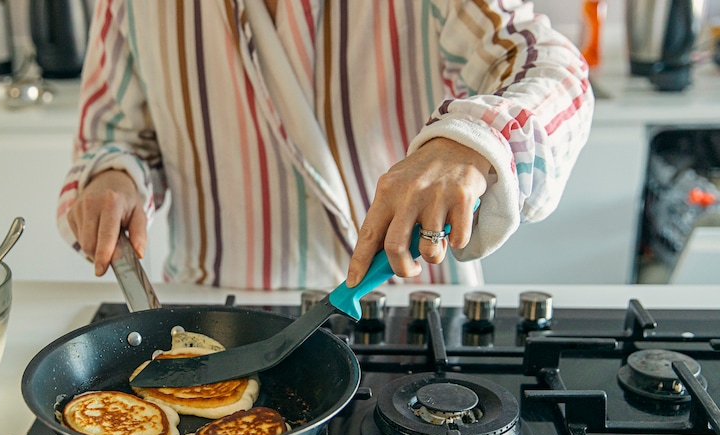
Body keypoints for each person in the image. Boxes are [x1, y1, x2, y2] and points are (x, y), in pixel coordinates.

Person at [57, 0, 594, 290]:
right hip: (217, 311)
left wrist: (471, 142)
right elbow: (113, 136)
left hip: (410, 304)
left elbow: (553, 67)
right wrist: (114, 177)